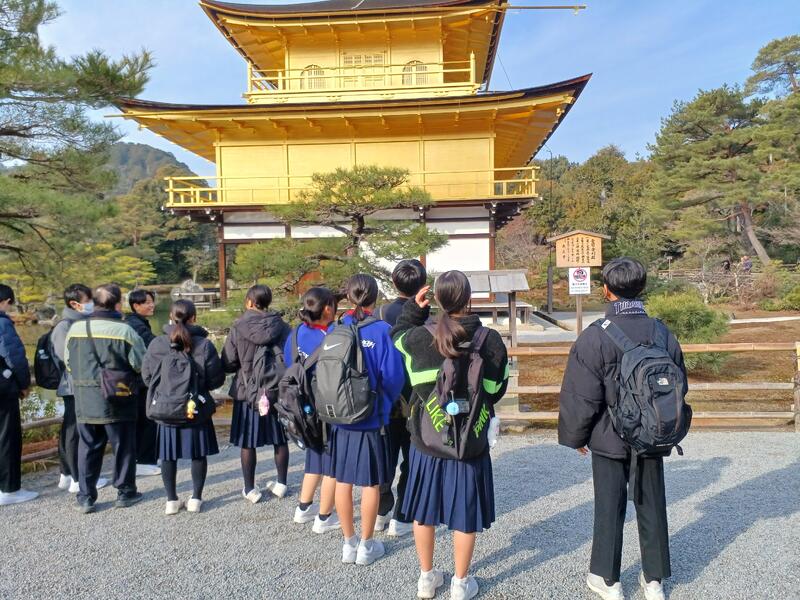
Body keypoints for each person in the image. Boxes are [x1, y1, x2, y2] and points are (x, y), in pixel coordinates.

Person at [558, 257, 687, 600]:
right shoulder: (661, 332)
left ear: (606, 290)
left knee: (609, 506)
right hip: (652, 434)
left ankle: (608, 580)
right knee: (651, 504)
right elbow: (678, 383)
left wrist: (577, 436)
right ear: (642, 288)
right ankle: (654, 580)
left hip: (609, 436)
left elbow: (581, 394)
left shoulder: (594, 337)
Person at [392, 271, 509, 600]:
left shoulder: (419, 338)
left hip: (428, 440)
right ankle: (460, 583)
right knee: (465, 513)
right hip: (469, 442)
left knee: (423, 510)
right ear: (469, 298)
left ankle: (426, 578)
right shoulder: (490, 340)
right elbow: (496, 390)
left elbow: (396, 336)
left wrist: (414, 310)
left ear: (438, 300)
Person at [331, 274, 405, 566]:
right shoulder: (382, 331)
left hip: (339, 417)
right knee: (371, 483)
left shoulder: (337, 328)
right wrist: (383, 407)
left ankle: (348, 543)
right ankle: (366, 544)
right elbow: (394, 378)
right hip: (371, 417)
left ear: (349, 296)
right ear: (375, 297)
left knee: (343, 481)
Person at [65, 284, 146, 513]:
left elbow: (68, 363)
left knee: (88, 446)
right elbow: (140, 364)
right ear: (118, 304)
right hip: (118, 395)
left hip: (85, 396)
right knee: (123, 446)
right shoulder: (125, 331)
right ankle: (125, 492)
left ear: (95, 302)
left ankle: (86, 496)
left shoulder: (76, 328)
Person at [142, 300, 224, 515]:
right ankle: (196, 498)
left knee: (167, 455)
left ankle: (171, 500)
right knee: (198, 454)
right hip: (194, 408)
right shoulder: (204, 345)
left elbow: (147, 377)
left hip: (166, 408)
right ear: (194, 318)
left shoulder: (157, 343)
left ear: (171, 316)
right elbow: (216, 380)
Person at [223, 284, 291, 504]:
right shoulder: (281, 325)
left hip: (248, 392)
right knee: (280, 439)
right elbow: (291, 356)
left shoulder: (238, 326)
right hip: (276, 390)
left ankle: (250, 489)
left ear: (249, 302)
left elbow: (228, 361)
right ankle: (281, 484)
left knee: (248, 442)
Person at [374, 259, 427, 538]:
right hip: (416, 396)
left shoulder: (380, 313)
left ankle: (380, 509)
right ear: (423, 284)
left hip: (384, 397)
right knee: (411, 456)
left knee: (385, 454)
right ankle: (403, 515)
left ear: (394, 282)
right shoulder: (427, 317)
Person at [285, 287, 341, 534]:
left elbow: (289, 364)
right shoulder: (332, 334)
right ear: (327, 308)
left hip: (301, 405)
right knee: (332, 463)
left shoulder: (295, 333)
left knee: (314, 457)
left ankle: (303, 508)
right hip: (326, 405)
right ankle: (324, 516)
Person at [51, 284, 108, 494]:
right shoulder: (64, 327)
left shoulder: (81, 323)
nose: (91, 303)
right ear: (74, 304)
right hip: (74, 386)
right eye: (88, 300)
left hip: (81, 385)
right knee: (74, 431)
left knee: (73, 429)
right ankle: (77, 477)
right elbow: (66, 357)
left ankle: (68, 474)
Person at [0, 284, 38, 506]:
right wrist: (23, 384)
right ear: (6, 301)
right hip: (3, 389)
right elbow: (14, 357)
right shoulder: (2, 323)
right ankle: (9, 489)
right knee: (7, 437)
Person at [126, 289, 160, 477]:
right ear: (135, 305)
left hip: (140, 380)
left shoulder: (139, 323)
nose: (151, 305)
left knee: (145, 419)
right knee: (146, 420)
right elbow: (153, 346)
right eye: (146, 302)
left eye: (152, 301)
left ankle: (145, 458)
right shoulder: (135, 325)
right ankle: (144, 460)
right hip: (139, 381)